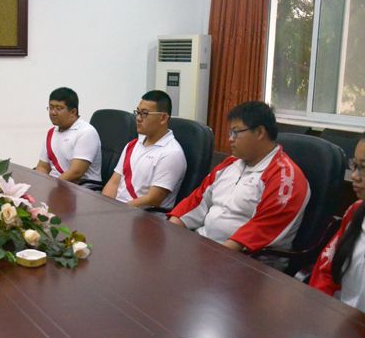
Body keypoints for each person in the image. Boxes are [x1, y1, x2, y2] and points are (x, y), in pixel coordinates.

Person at [168, 101, 310, 253]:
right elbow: (196, 201)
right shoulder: (230, 164)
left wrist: (208, 257)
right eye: (230, 133)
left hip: (245, 259)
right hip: (205, 246)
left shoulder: (285, 178)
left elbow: (260, 230)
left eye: (236, 132)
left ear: (260, 132)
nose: (230, 139)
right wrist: (169, 232)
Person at [309, 132, 365, 313]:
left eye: (364, 168)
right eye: (355, 166)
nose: (355, 176)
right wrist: (316, 310)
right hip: (340, 318)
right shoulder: (356, 211)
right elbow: (326, 272)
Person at [101, 90, 186, 208]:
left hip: (144, 215)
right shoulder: (132, 145)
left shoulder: (171, 154)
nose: (138, 118)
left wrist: (118, 210)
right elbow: (114, 183)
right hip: (120, 210)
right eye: (138, 112)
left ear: (163, 118)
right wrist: (104, 207)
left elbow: (153, 199)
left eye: (145, 113)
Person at [34, 87, 102, 187]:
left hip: (82, 189)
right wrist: (39, 184)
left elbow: (76, 173)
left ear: (73, 112)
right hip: (57, 186)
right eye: (51, 107)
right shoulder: (51, 132)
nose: (53, 112)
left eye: (58, 108)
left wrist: (51, 188)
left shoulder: (86, 132)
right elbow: (43, 166)